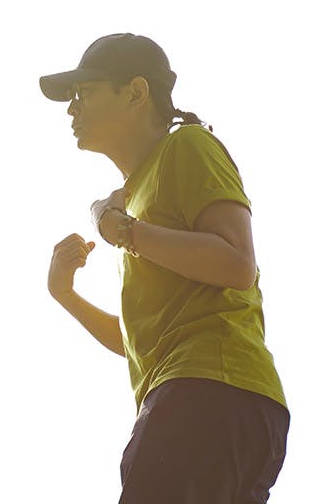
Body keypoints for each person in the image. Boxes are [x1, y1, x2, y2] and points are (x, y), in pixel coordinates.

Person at [40, 33, 288, 504]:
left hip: (207, 391)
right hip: (212, 397)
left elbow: (237, 264)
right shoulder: (137, 195)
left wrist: (124, 231)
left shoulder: (188, 146)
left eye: (84, 92)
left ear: (135, 92)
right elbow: (140, 339)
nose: (71, 109)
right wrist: (66, 296)